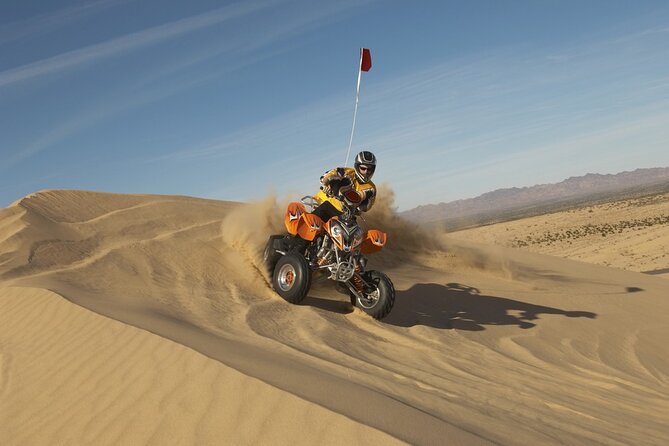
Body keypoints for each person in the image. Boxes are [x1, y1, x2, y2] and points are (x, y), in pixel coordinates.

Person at [312, 150, 377, 222]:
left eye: (369, 169)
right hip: (323, 202)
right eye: (363, 168)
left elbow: (367, 207)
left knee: (356, 231)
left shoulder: (371, 188)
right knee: (313, 224)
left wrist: (358, 209)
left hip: (344, 215)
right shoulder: (346, 172)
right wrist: (326, 181)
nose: (366, 172)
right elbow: (331, 174)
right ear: (357, 166)